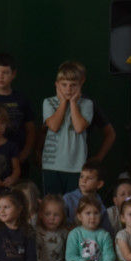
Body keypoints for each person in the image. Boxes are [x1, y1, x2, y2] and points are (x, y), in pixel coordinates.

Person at [41, 61, 93, 194]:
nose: (68, 89)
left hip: (76, 166)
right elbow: (53, 126)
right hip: (52, 165)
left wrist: (73, 102)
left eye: (73, 85)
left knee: (75, 206)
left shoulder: (86, 104)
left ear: (80, 85)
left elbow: (79, 127)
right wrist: (64, 102)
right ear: (57, 85)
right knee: (53, 205)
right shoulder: (49, 102)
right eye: (64, 85)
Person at [66, 195, 127, 261]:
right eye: (88, 213)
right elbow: (70, 256)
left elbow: (110, 255)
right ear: (79, 216)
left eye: (96, 213)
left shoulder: (104, 234)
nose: (92, 217)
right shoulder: (74, 233)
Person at [63, 160, 112, 233]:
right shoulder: (68, 198)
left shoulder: (101, 206)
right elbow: (60, 220)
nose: (83, 180)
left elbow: (106, 230)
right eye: (81, 176)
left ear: (99, 184)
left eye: (89, 178)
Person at [35, 195, 70, 261]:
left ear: (62, 217)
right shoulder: (37, 233)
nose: (51, 218)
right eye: (47, 214)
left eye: (56, 215)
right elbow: (34, 257)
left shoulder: (65, 233)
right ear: (41, 215)